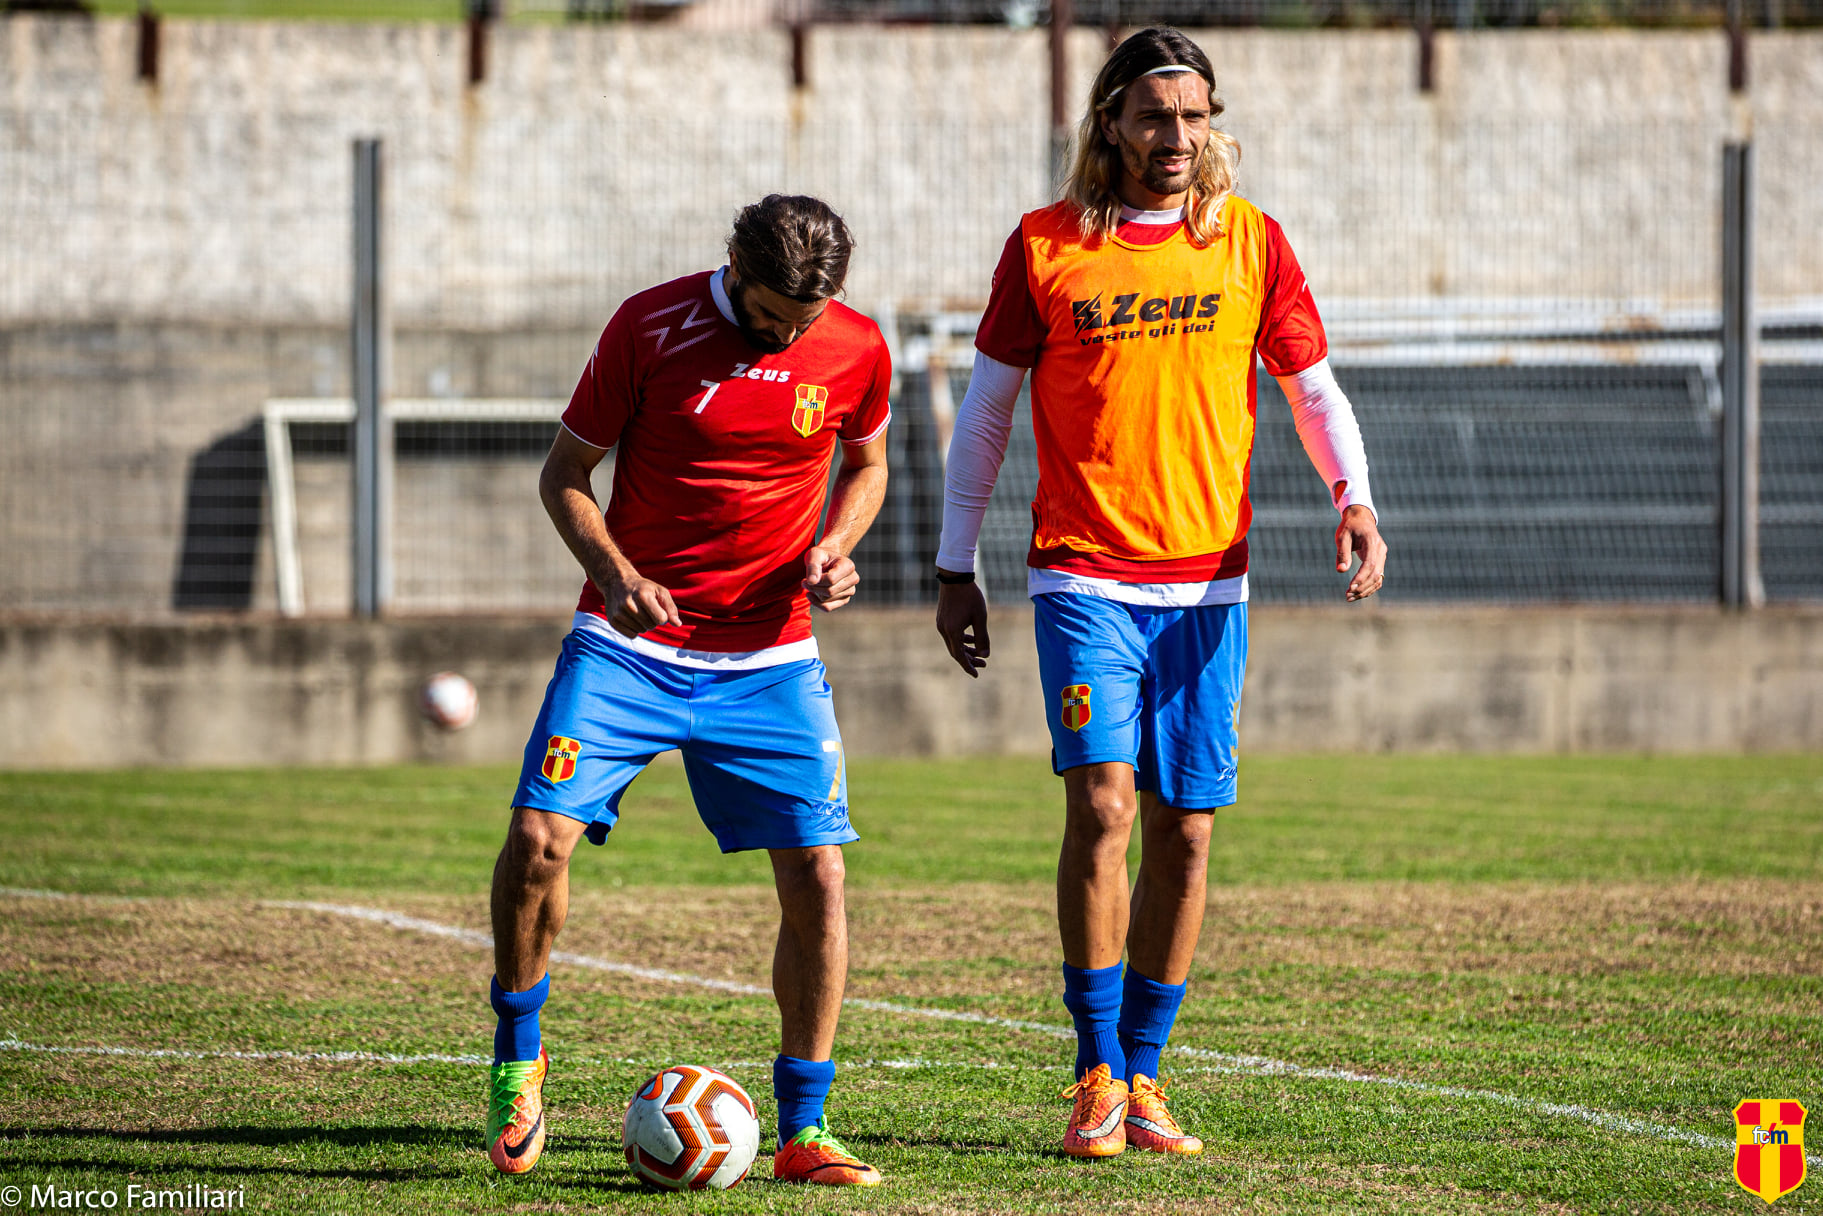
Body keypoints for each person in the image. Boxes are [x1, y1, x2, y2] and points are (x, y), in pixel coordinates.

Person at [934, 27, 1388, 1159]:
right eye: (1152, 115)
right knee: (1102, 808)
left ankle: (1143, 1072)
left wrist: (1355, 497)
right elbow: (985, 412)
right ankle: (1093, 1069)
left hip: (1209, 588)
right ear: (1110, 125)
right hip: (1082, 574)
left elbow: (1311, 389)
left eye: (1192, 115)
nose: (1175, 136)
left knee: (1185, 831)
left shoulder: (1249, 242)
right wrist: (954, 564)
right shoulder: (1044, 247)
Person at [486, 194, 891, 1187]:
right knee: (537, 842)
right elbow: (564, 475)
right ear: (732, 268)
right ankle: (517, 1068)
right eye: (770, 316)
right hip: (627, 647)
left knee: (819, 875)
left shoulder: (856, 346)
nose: (786, 337)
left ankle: (804, 1127)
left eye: (803, 321)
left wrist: (837, 547)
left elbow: (868, 465)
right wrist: (616, 573)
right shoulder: (648, 325)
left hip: (770, 659)